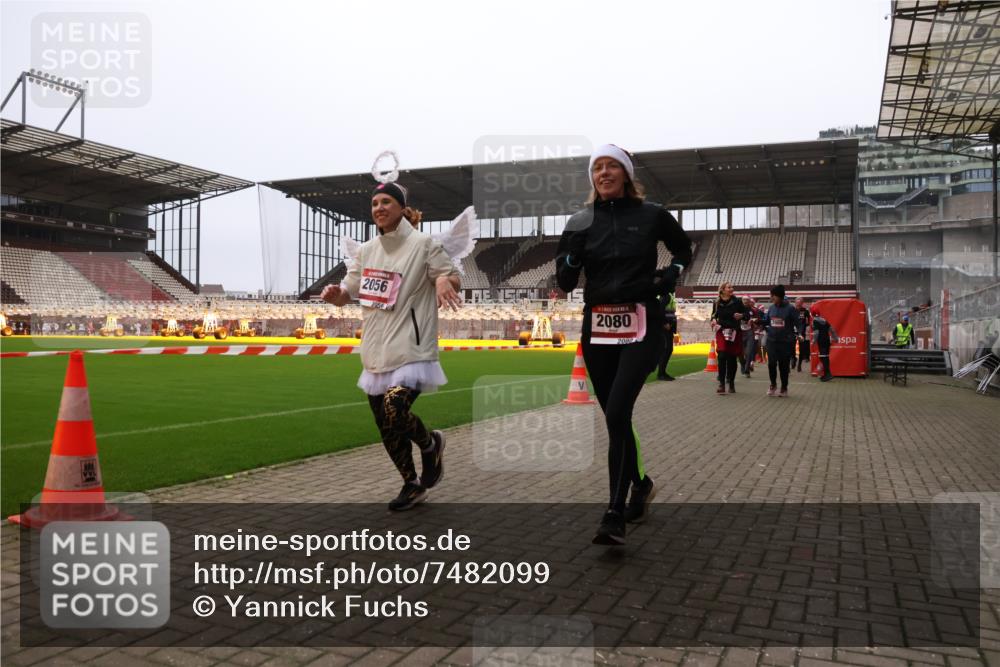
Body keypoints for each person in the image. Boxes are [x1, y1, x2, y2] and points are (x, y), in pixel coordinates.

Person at [555, 144, 692, 545]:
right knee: (615, 418)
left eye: (612, 166)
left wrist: (672, 274)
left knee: (617, 411)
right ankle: (642, 484)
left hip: (641, 321)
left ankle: (614, 512)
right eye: (597, 168)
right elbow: (564, 283)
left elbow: (683, 248)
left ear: (627, 175)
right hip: (597, 327)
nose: (604, 173)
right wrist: (572, 259)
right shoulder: (580, 221)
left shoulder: (651, 215)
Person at [321, 180, 462, 511]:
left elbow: (453, 276)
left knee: (393, 409)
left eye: (386, 202)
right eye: (374, 204)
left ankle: (430, 445)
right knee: (385, 424)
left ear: (401, 208)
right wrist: (335, 296)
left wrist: (443, 279)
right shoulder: (368, 251)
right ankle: (411, 484)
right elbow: (348, 293)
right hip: (375, 349)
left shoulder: (423, 244)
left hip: (412, 348)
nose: (379, 208)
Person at [759, 284, 799, 397]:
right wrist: (757, 321)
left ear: (780, 296)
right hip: (771, 340)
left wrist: (799, 334)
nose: (771, 298)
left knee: (783, 366)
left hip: (785, 342)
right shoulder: (771, 308)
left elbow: (798, 323)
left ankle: (784, 387)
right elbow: (766, 321)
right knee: (771, 364)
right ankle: (773, 384)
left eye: (773, 296)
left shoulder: (790, 309)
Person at [710, 282, 748, 394]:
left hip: (734, 332)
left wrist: (741, 316)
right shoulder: (716, 302)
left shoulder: (737, 301)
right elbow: (713, 315)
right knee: (721, 356)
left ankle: (731, 383)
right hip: (721, 331)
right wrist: (712, 320)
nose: (732, 289)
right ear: (722, 290)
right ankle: (721, 384)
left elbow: (746, 315)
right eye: (729, 287)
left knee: (732, 358)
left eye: (732, 287)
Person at [811, 305, 838, 382]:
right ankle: (826, 374)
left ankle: (828, 374)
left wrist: (813, 341)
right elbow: (831, 329)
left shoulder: (814, 321)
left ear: (812, 314)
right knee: (825, 356)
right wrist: (835, 338)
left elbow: (816, 332)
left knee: (823, 357)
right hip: (827, 341)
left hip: (821, 341)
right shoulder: (824, 320)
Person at [656, 289, 678, 381]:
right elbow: (660, 309)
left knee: (667, 350)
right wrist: (665, 323)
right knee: (667, 349)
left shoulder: (668, 295)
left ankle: (662, 372)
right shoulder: (666, 295)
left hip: (668, 327)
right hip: (665, 328)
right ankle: (661, 374)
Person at [739, 295, 760, 377]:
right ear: (741, 300)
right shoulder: (738, 309)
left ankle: (747, 369)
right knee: (740, 352)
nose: (746, 301)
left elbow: (758, 319)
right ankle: (743, 364)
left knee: (749, 351)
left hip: (749, 332)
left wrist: (753, 320)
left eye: (747, 300)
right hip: (740, 332)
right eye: (744, 300)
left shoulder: (753, 310)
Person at [793, 297, 812, 372]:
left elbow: (809, 321)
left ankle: (799, 365)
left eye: (800, 302)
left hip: (802, 332)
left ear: (802, 303)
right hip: (793, 332)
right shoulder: (792, 310)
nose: (798, 304)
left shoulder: (805, 311)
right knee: (791, 347)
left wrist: (807, 326)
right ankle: (793, 358)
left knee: (801, 349)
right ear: (795, 303)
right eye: (797, 302)